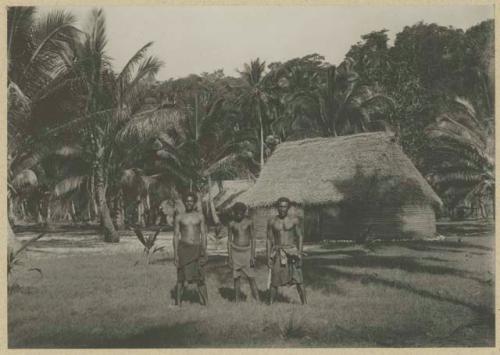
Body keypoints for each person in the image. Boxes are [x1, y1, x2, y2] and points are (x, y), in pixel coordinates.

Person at [267, 197, 307, 305]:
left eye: (285, 206)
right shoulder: (272, 221)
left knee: (299, 279)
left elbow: (300, 237)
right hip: (278, 251)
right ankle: (270, 304)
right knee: (274, 279)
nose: (282, 209)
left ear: (288, 208)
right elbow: (269, 240)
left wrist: (299, 254)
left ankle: (305, 304)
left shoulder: (294, 220)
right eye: (280, 206)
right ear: (277, 207)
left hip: (292, 252)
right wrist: (268, 257)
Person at [173, 192, 208, 306]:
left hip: (197, 249)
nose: (189, 203)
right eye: (187, 201)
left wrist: (204, 250)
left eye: (191, 201)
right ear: (184, 202)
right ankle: (178, 304)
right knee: (181, 279)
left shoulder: (200, 216)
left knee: (200, 279)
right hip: (184, 249)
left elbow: (204, 234)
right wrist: (175, 254)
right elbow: (175, 235)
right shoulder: (179, 217)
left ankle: (206, 304)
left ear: (194, 203)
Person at [227, 202, 259, 302]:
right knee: (236, 277)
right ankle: (237, 299)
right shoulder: (231, 223)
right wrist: (230, 257)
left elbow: (253, 239)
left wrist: (253, 256)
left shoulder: (249, 222)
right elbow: (229, 240)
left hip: (247, 252)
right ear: (234, 212)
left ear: (244, 212)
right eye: (237, 212)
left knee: (251, 277)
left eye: (241, 212)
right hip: (235, 251)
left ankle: (257, 299)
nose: (239, 214)